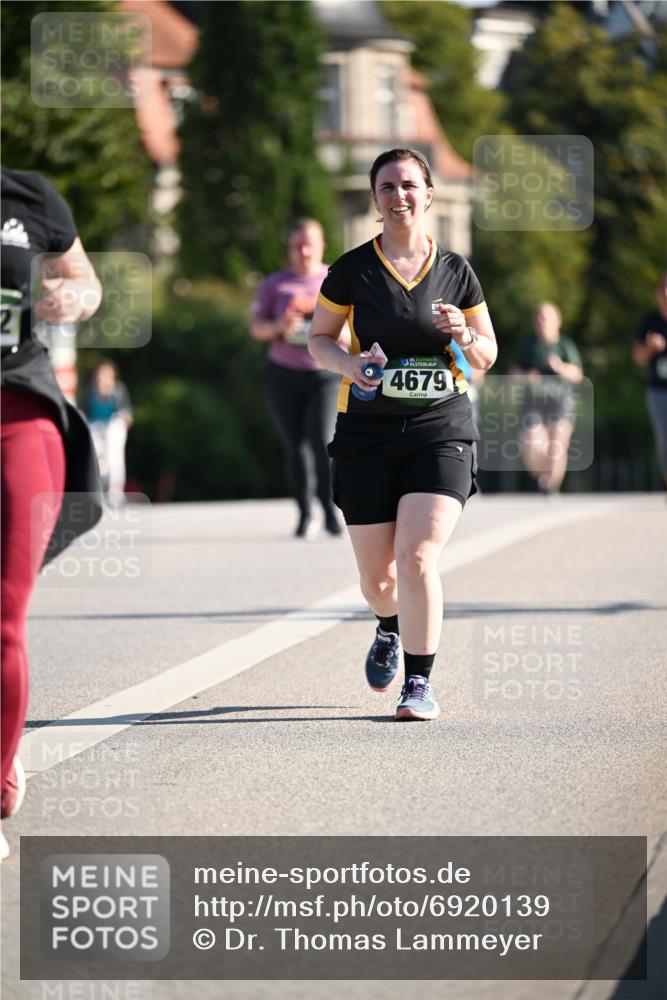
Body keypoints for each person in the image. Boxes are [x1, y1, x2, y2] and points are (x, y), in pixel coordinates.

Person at [308, 148, 497, 721]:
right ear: (375, 199)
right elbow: (318, 338)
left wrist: (463, 332)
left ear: (429, 193)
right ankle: (387, 626)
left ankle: (418, 684)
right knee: (378, 577)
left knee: (416, 557)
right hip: (366, 431)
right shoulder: (352, 269)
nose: (399, 196)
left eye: (409, 184)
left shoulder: (456, 271)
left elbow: (486, 355)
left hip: (440, 427)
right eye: (386, 187)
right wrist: (350, 365)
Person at [1, 166, 103, 859]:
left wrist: (73, 295)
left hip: (19, 415)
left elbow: (87, 281)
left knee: (3, 612)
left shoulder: (28, 196)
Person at [251, 219, 346, 539]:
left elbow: (357, 326)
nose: (304, 250)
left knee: (322, 440)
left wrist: (335, 334)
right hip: (284, 374)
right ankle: (305, 513)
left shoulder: (336, 279)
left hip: (325, 374)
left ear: (321, 246)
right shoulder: (275, 284)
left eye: (310, 243)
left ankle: (331, 511)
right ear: (289, 249)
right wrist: (279, 325)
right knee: (295, 446)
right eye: (297, 245)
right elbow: (256, 327)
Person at [512, 302, 583, 495]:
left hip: (560, 403)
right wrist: (527, 377)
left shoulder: (564, 345)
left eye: (547, 317)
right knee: (531, 441)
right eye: (539, 317)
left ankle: (551, 487)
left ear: (557, 321)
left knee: (557, 443)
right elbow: (514, 372)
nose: (542, 321)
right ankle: (541, 477)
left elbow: (577, 374)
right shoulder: (528, 344)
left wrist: (560, 367)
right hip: (533, 402)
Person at [632, 273, 667, 490]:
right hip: (658, 390)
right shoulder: (650, 322)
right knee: (664, 437)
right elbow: (637, 358)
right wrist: (650, 348)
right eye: (662, 288)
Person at [85, 359, 133, 506]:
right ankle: (97, 492)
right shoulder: (91, 390)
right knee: (97, 458)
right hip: (95, 426)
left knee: (115, 457)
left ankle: (115, 493)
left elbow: (127, 413)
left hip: (114, 425)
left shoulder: (118, 390)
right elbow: (85, 412)